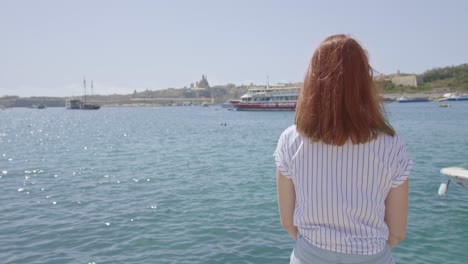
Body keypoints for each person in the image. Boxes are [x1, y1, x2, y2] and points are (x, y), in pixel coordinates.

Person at [274, 34, 412, 264]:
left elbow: (288, 222)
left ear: (313, 81)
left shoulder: (290, 140)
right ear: (363, 82)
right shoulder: (391, 144)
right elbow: (397, 232)